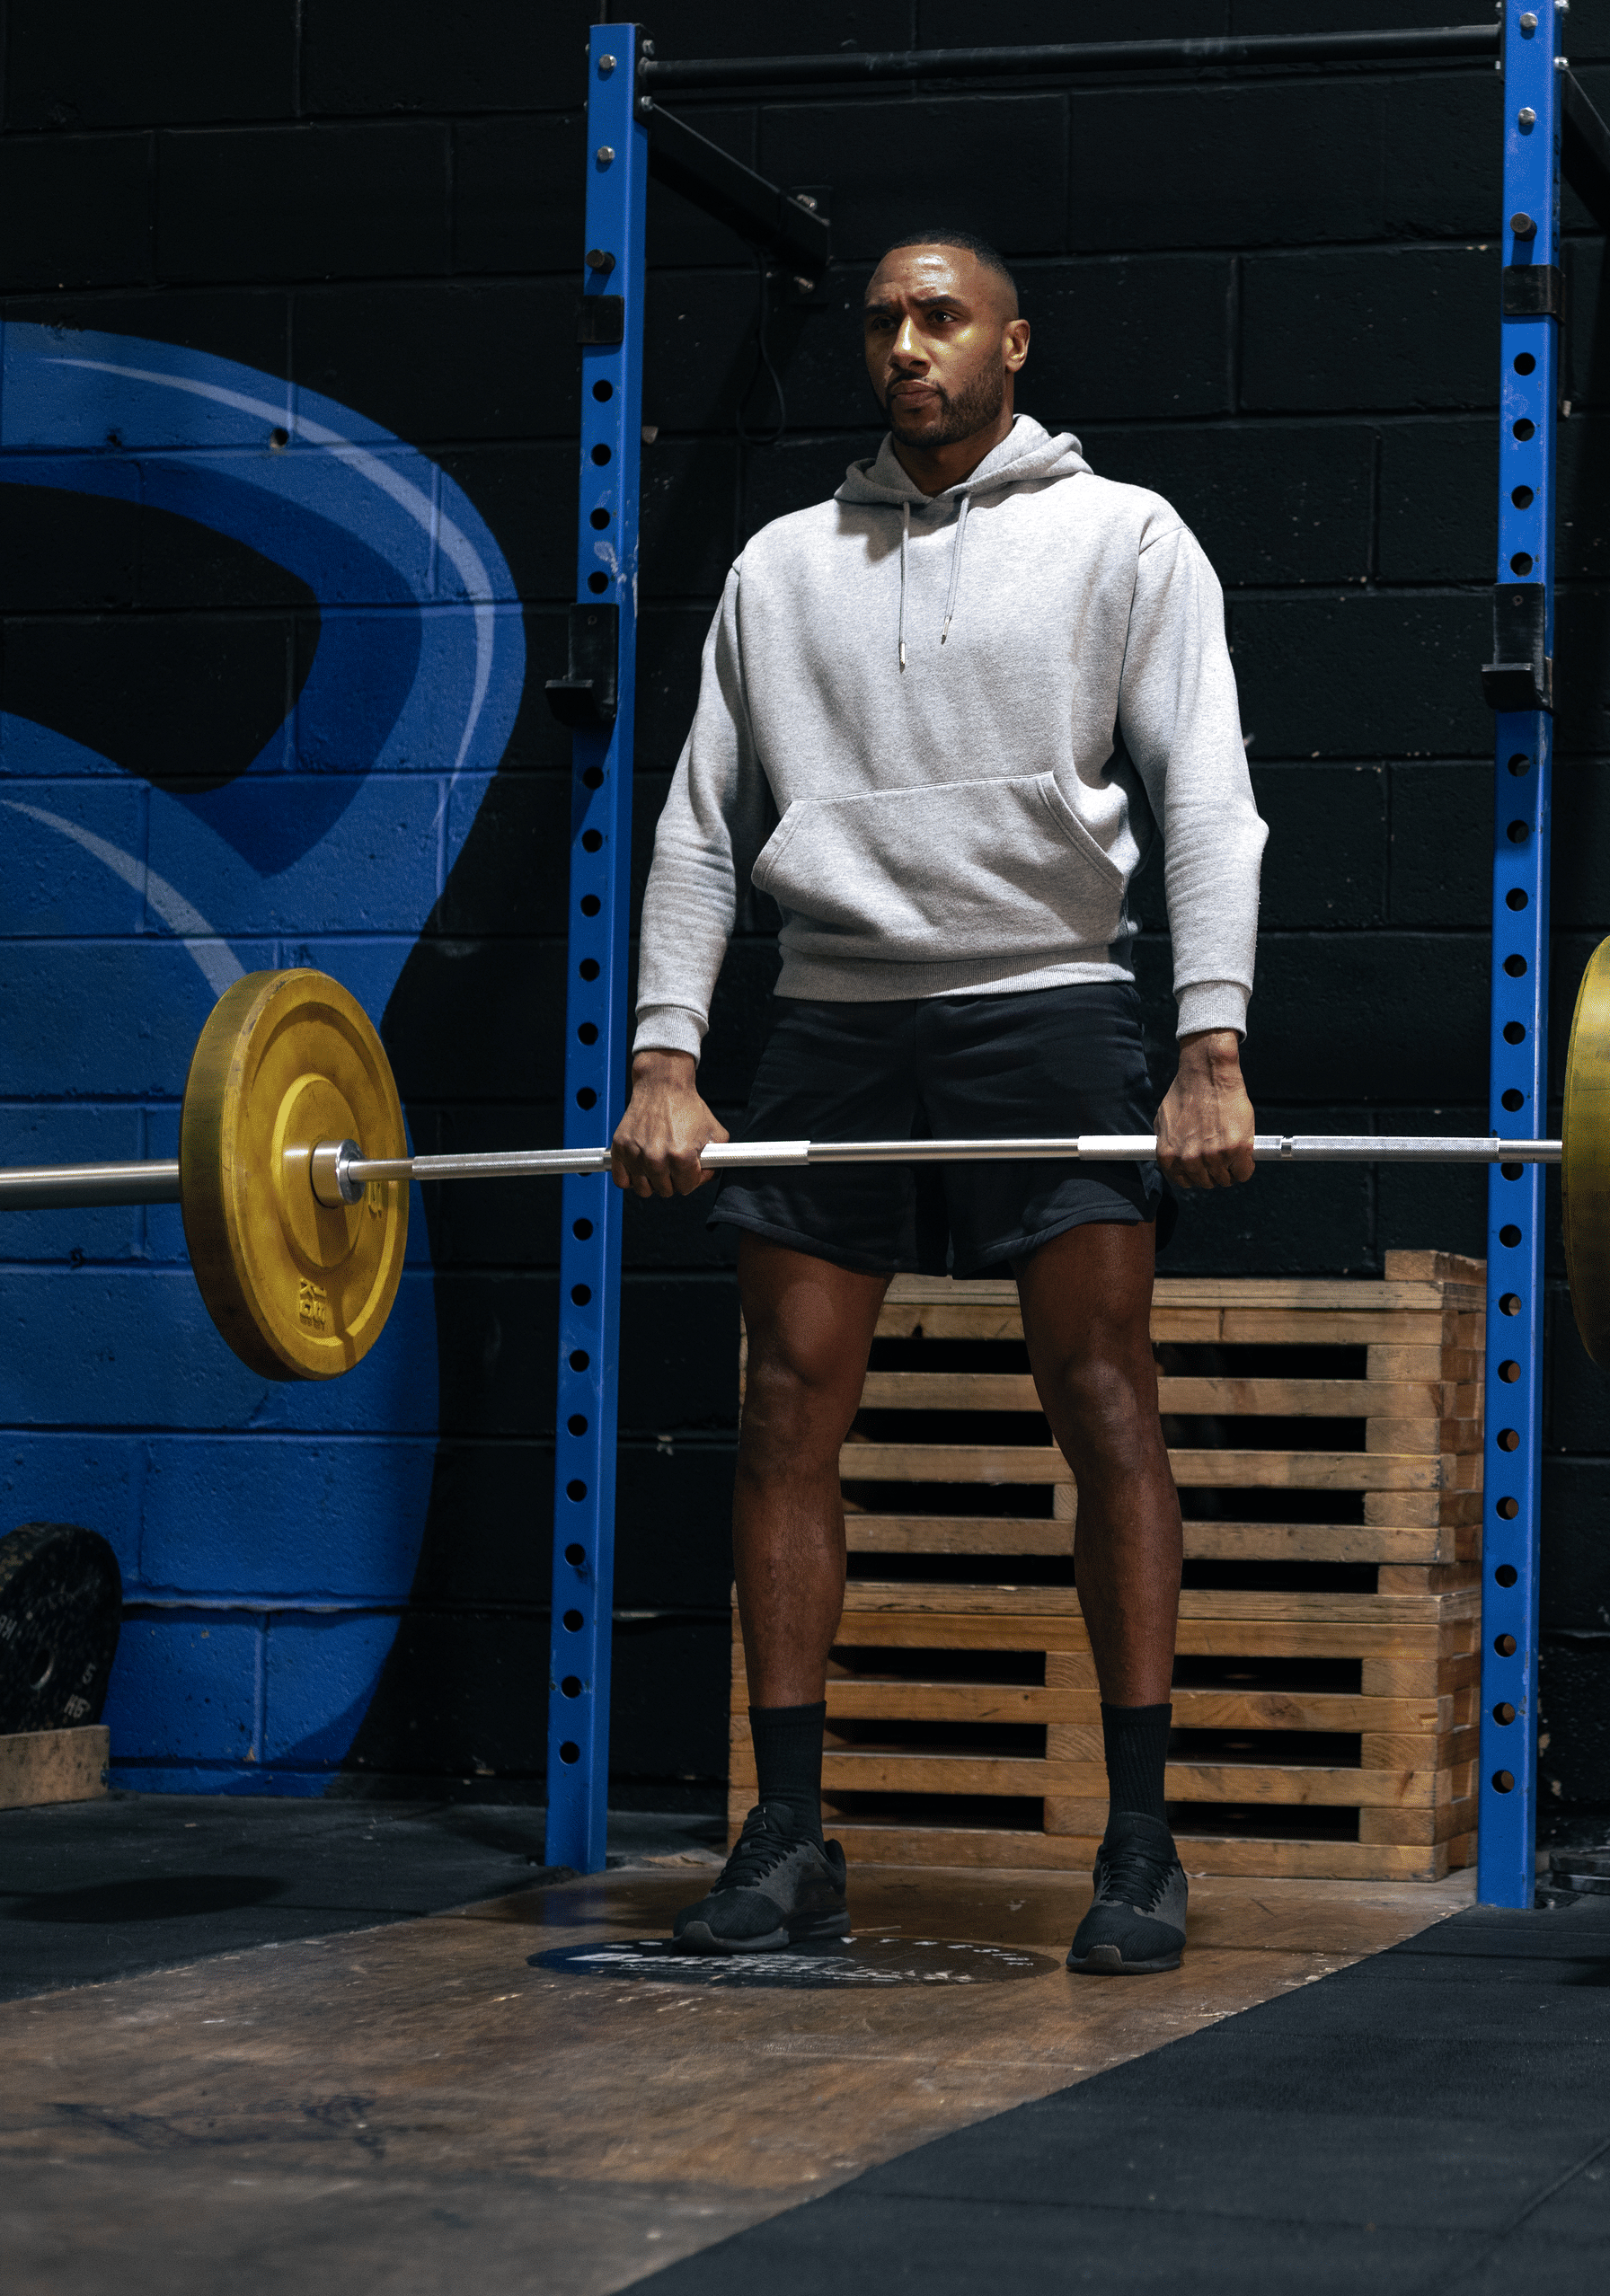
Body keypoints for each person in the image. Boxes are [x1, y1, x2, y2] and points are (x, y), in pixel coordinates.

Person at [608, 230, 1266, 1977]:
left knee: (1105, 1397)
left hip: (1049, 1013)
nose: (907, 345)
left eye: (942, 317)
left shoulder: (1121, 537)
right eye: (886, 322)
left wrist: (1209, 1038)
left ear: (1013, 344)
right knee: (781, 1415)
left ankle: (1139, 1838)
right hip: (833, 1017)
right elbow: (697, 821)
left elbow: (1207, 792)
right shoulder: (778, 564)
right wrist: (666, 1053)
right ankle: (789, 1833)